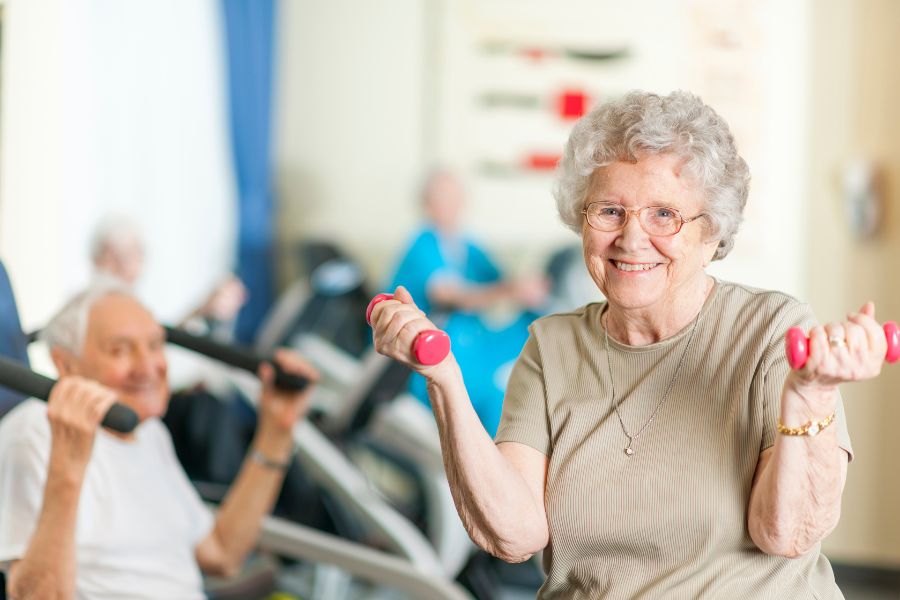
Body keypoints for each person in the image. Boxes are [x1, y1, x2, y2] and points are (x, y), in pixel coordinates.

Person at [369, 91, 886, 598]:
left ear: (712, 234)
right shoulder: (550, 347)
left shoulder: (771, 330)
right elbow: (513, 535)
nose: (632, 239)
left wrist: (809, 398)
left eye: (664, 214)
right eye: (610, 211)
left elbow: (786, 535)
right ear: (581, 219)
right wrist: (444, 381)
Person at [0, 282, 318, 598]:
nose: (148, 367)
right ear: (65, 364)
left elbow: (222, 553)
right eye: (120, 350)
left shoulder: (149, 432)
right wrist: (67, 468)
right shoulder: (33, 432)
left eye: (154, 345)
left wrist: (277, 431)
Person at [388, 170, 549, 435]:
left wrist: (529, 287)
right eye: (443, 198)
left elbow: (500, 279)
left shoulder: (469, 246)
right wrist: (510, 289)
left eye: (455, 197)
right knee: (495, 395)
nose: (452, 205)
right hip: (433, 355)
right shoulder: (423, 244)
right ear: (427, 203)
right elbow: (450, 294)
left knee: (536, 332)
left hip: (472, 342)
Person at [90, 215, 247, 336]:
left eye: (132, 254)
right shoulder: (91, 310)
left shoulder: (138, 306)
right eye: (114, 255)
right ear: (97, 260)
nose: (123, 265)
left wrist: (202, 310)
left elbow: (157, 342)